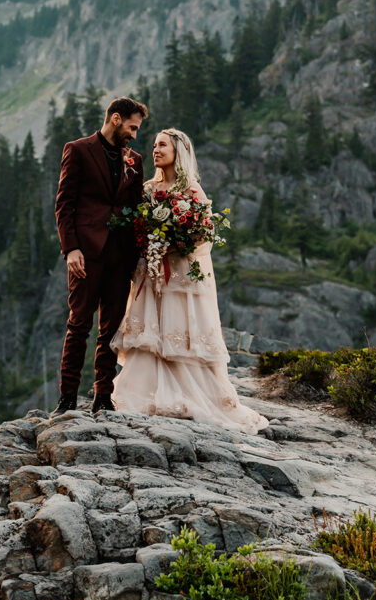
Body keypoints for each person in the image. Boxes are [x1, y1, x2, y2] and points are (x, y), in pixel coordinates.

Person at [112, 128, 267, 433]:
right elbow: (137, 226)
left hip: (180, 272)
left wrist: (176, 241)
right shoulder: (148, 188)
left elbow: (203, 234)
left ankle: (190, 391)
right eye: (155, 145)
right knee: (150, 329)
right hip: (152, 267)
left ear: (177, 151)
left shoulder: (191, 189)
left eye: (162, 145)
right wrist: (149, 239)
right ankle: (144, 390)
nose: (155, 150)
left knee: (178, 327)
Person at [52, 96, 147, 416]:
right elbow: (64, 204)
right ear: (116, 119)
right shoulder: (77, 150)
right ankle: (66, 398)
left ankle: (103, 396)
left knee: (111, 330)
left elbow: (136, 211)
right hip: (86, 255)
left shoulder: (135, 159)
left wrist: (140, 256)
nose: (134, 134)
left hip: (121, 257)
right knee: (78, 324)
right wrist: (71, 249)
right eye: (132, 127)